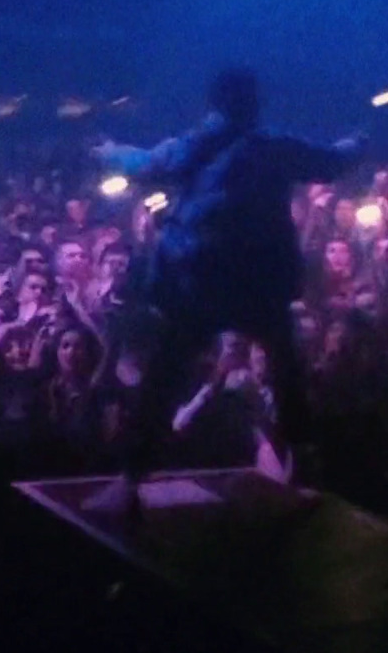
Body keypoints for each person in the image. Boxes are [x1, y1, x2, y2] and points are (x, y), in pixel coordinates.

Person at [83, 69, 365, 520]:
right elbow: (330, 162)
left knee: (167, 375)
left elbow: (147, 164)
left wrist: (107, 152)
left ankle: (130, 480)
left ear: (214, 103)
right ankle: (304, 476)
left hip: (202, 281)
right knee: (286, 371)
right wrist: (360, 141)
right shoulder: (272, 146)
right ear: (253, 103)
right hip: (257, 283)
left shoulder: (199, 144)